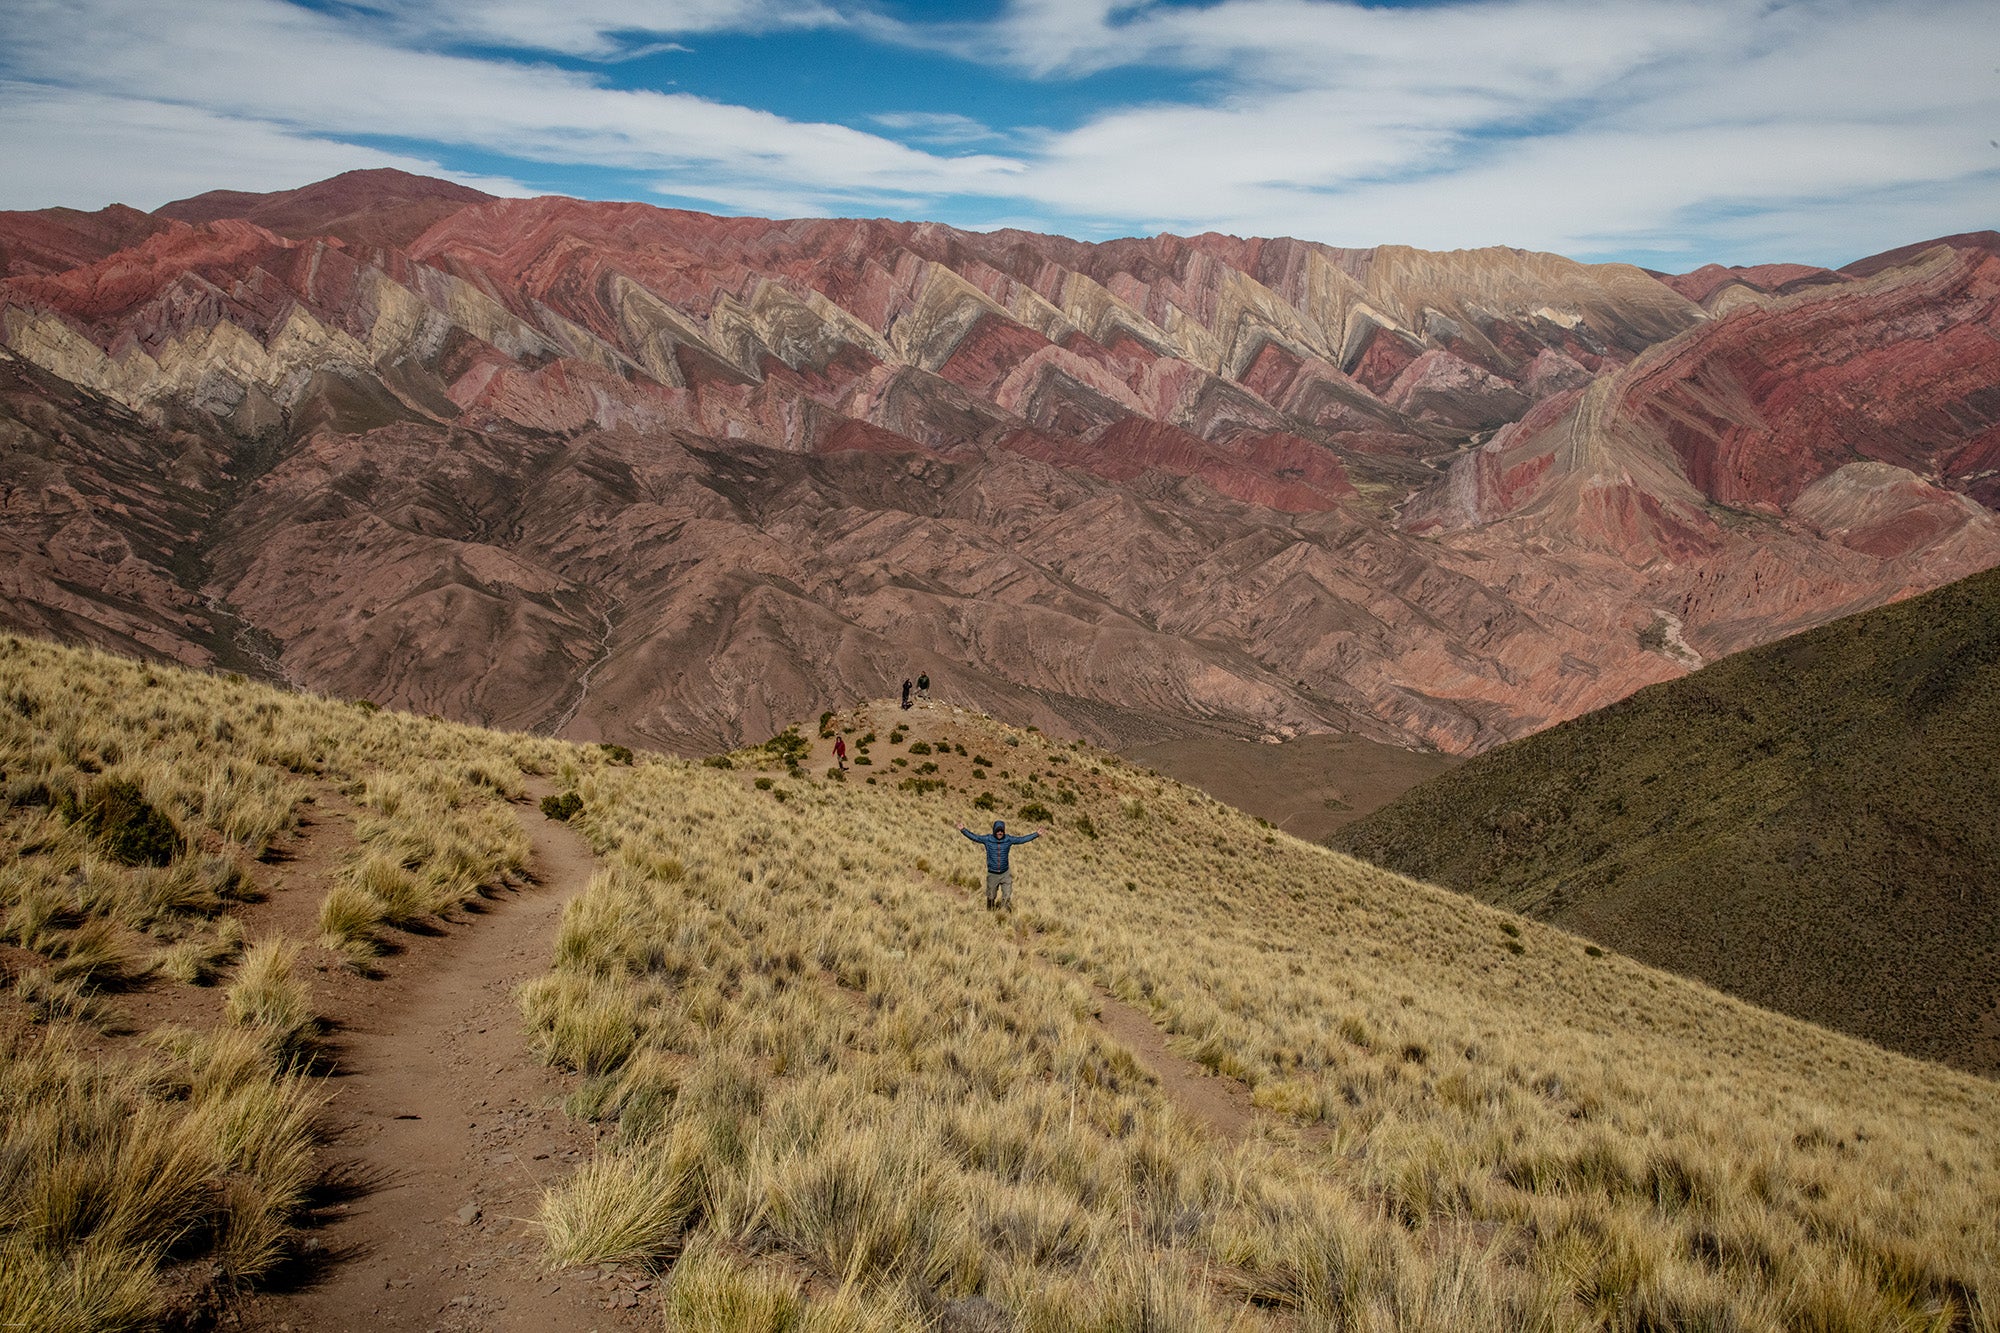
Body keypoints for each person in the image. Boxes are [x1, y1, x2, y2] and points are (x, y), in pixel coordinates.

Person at [957, 818, 1046, 911]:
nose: (1000, 833)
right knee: (991, 896)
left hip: (1005, 873)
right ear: (994, 831)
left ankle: (1003, 912)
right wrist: (963, 830)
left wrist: (1036, 834)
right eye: (997, 831)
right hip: (993, 874)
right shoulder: (988, 839)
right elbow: (975, 837)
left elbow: (1022, 839)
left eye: (1001, 831)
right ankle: (990, 911)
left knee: (1007, 895)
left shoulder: (1008, 839)